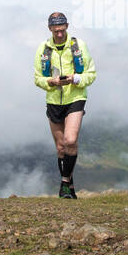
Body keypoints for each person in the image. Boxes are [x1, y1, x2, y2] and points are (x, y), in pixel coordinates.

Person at [33, 12, 97, 198]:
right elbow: (37, 78)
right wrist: (50, 82)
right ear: (50, 29)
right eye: (56, 31)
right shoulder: (43, 49)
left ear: (67, 26)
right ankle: (69, 187)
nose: (59, 34)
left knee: (70, 140)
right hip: (53, 100)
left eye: (62, 30)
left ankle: (65, 182)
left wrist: (75, 78)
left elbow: (91, 74)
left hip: (75, 97)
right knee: (61, 148)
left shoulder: (78, 46)